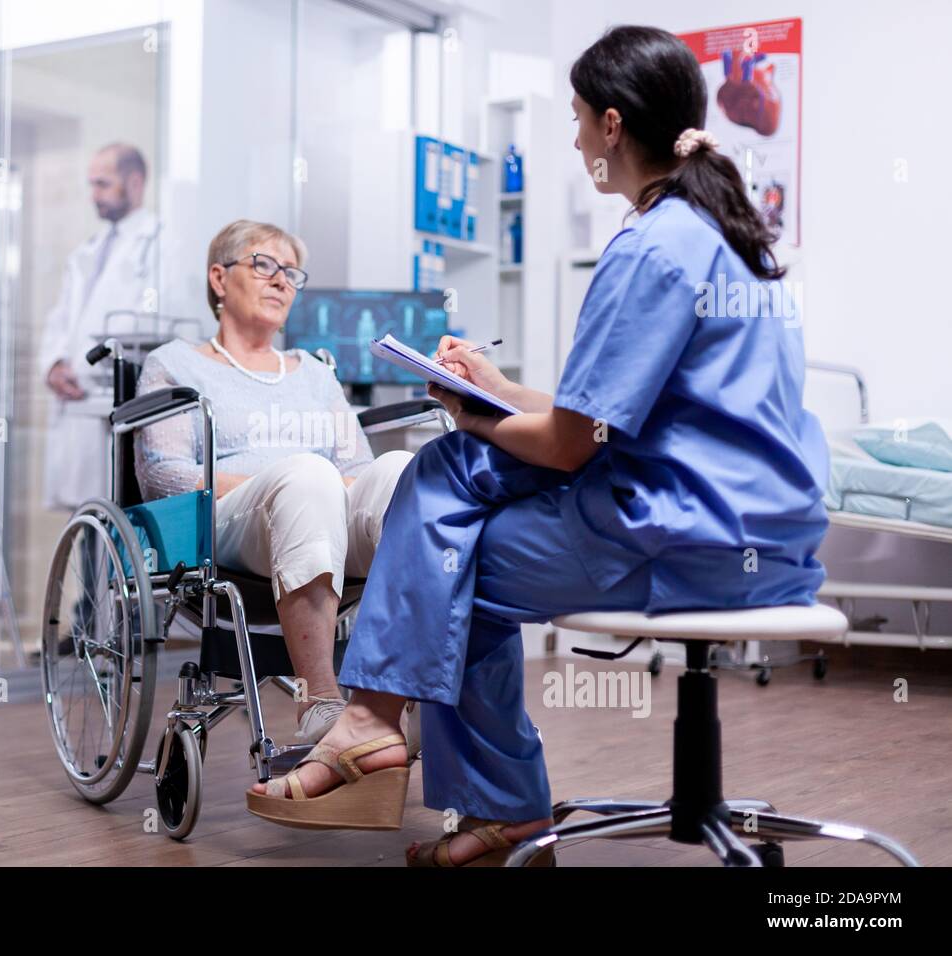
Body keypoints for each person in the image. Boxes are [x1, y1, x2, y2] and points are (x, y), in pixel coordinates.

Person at [246, 25, 830, 867]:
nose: (575, 137)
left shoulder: (650, 247)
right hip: (771, 539)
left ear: (615, 124)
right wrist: (495, 385)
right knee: (447, 514)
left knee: (450, 555)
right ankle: (397, 742)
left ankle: (415, 752)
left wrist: (473, 416)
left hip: (685, 537)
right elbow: (598, 414)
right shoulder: (721, 238)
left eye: (579, 118)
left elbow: (569, 448)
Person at [133, 220, 414, 744]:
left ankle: (409, 697)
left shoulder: (314, 371)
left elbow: (356, 469)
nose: (281, 281)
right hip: (230, 525)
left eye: (291, 272)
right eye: (264, 265)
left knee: (400, 472)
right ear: (219, 278)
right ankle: (321, 701)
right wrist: (277, 481)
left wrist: (325, 486)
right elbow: (163, 475)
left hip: (321, 510)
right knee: (307, 476)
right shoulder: (174, 364)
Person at [39, 143, 160, 511]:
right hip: (78, 403)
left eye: (103, 184)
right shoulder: (88, 251)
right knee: (85, 524)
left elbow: (152, 323)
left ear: (135, 183)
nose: (94, 195)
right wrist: (54, 363)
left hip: (111, 403)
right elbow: (62, 317)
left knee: (115, 522)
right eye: (91, 184)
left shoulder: (159, 243)